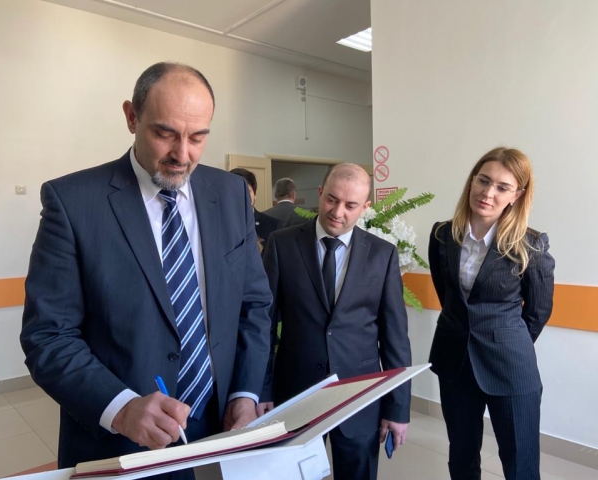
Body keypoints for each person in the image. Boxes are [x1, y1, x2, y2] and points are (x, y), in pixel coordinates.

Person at [20, 62, 272, 479]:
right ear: (132, 117)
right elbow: (48, 336)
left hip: (221, 429)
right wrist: (121, 408)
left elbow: (254, 305)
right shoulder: (73, 202)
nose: (182, 154)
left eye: (198, 137)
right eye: (165, 133)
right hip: (120, 442)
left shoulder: (230, 194)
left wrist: (245, 392)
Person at [259, 163, 412, 480]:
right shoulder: (282, 244)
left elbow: (395, 337)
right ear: (320, 193)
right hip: (295, 392)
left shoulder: (382, 254)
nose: (337, 212)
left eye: (350, 205)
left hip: (358, 396)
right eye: (331, 199)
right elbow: (263, 324)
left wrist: (397, 408)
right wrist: (261, 390)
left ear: (365, 207)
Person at [428, 147, 555, 480]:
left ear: (517, 195)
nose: (488, 192)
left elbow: (538, 312)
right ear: (472, 181)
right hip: (455, 361)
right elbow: (448, 297)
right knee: (461, 457)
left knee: (520, 463)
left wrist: (505, 341)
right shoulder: (443, 235)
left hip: (510, 365)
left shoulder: (531, 245)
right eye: (483, 181)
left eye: (502, 187)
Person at [230, 168, 280, 253]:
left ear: (255, 194)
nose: (242, 195)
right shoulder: (219, 225)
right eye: (236, 191)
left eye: (247, 191)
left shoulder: (273, 225)